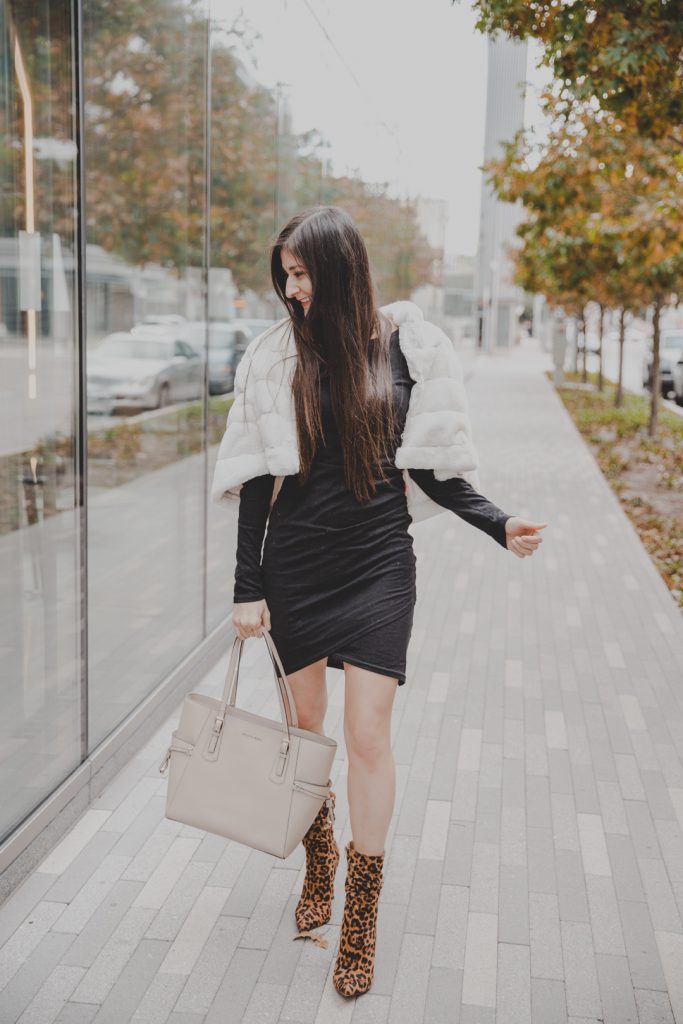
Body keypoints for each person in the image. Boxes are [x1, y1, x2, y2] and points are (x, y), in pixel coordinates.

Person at [211, 205, 547, 998]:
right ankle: (318, 858)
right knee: (306, 731)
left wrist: (499, 523)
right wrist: (245, 591)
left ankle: (359, 914)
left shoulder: (407, 348)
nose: (291, 290)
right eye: (284, 276)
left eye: (302, 273)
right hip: (294, 565)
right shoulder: (275, 359)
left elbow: (430, 467)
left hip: (377, 564)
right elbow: (259, 478)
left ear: (339, 268)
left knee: (367, 733)